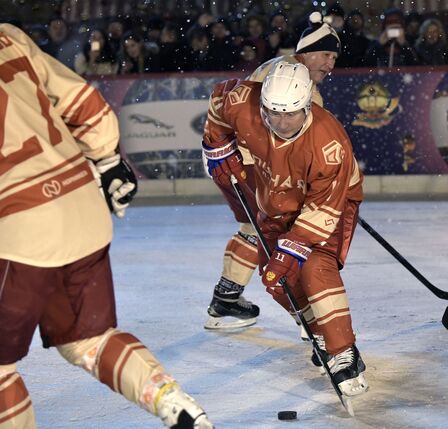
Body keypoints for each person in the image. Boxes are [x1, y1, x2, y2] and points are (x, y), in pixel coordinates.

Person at [0, 24, 213, 429]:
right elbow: (81, 99)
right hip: (81, 202)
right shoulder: (8, 36)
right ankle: (176, 404)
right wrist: (107, 159)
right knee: (89, 342)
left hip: (18, 225)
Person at [202, 61, 367, 397]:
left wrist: (292, 250)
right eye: (273, 113)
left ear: (307, 105)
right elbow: (218, 103)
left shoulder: (328, 143)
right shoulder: (243, 104)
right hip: (276, 198)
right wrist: (217, 146)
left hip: (330, 202)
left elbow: (322, 211)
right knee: (274, 278)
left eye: (291, 113)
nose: (281, 122)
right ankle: (317, 327)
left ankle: (344, 353)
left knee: (314, 267)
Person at [203, 11, 342, 330]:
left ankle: (225, 299)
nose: (330, 63)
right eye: (325, 54)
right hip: (254, 167)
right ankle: (308, 321)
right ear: (306, 50)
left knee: (252, 228)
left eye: (334, 57)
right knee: (278, 236)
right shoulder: (296, 81)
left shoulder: (279, 67)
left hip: (235, 163)